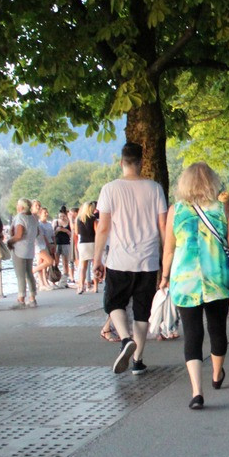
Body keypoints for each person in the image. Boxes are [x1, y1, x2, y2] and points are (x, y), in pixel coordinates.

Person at [160, 163, 229, 409]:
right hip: (216, 278)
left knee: (192, 333)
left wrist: (164, 276)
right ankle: (217, 375)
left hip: (184, 282)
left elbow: (169, 250)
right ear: (212, 182)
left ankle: (197, 391)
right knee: (217, 329)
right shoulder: (222, 209)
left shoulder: (175, 211)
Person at [93, 143, 168, 375]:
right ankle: (137, 361)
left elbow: (103, 227)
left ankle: (125, 339)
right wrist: (167, 258)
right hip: (148, 259)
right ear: (141, 163)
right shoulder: (155, 188)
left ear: (121, 163)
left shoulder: (109, 189)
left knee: (114, 303)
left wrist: (97, 259)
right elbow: (163, 226)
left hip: (119, 259)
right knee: (142, 310)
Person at [7, 198, 39, 309]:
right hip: (30, 249)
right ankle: (33, 298)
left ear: (21, 207)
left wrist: (10, 241)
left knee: (20, 275)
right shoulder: (33, 218)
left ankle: (21, 299)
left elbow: (19, 234)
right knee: (29, 273)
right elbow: (38, 232)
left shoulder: (20, 217)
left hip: (19, 249)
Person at [32, 202, 57, 291]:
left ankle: (43, 282)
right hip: (38, 244)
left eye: (39, 205)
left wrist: (52, 244)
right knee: (48, 261)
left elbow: (46, 234)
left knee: (43, 263)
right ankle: (31, 273)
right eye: (36, 205)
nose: (38, 207)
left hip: (42, 243)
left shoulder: (38, 220)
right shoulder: (33, 219)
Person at [76, 200, 98, 295]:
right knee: (95, 265)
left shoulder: (79, 219)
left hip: (83, 244)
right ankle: (95, 286)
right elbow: (97, 231)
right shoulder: (94, 219)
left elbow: (77, 232)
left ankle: (81, 286)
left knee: (83, 267)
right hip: (93, 242)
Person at [53, 208, 73, 287]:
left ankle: (64, 280)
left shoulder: (69, 222)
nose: (62, 218)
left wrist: (66, 231)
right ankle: (54, 279)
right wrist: (57, 230)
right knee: (56, 262)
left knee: (65, 263)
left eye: (63, 216)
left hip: (66, 243)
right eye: (60, 216)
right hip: (57, 243)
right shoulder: (56, 222)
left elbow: (72, 234)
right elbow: (52, 233)